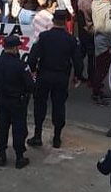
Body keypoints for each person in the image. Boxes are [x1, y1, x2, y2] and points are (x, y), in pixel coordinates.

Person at [27, 9, 83, 149]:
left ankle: (38, 135)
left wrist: (33, 70)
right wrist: (77, 76)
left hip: (44, 74)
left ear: (53, 21)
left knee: (40, 104)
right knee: (59, 106)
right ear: (65, 22)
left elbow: (32, 57)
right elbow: (78, 61)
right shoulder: (71, 39)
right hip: (61, 77)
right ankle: (57, 138)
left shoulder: (44, 36)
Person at [0, 34, 35, 169]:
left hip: (1, 101)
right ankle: (19, 157)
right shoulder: (21, 65)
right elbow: (30, 85)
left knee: (1, 127)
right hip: (17, 102)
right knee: (19, 129)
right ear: (14, 48)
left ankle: (2, 155)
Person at [91, 0, 111, 105]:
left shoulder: (95, 3)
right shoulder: (109, 8)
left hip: (97, 37)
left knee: (98, 68)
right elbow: (109, 28)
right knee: (102, 70)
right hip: (105, 42)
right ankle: (96, 92)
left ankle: (97, 90)